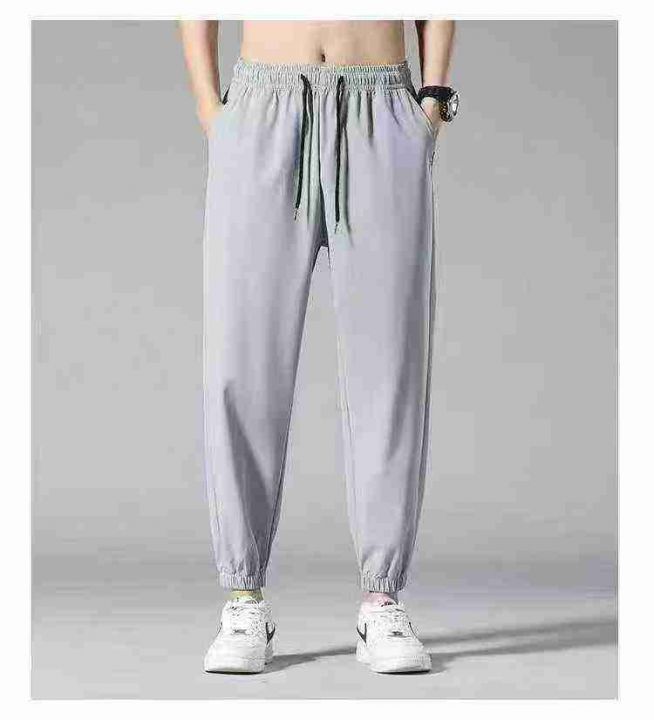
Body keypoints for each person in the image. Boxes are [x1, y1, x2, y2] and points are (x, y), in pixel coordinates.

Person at [179, 19, 457, 674]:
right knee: (241, 362)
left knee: (390, 363)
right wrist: (213, 113)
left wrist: (430, 102)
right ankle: (243, 598)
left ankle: (382, 601)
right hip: (263, 110)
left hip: (381, 109)